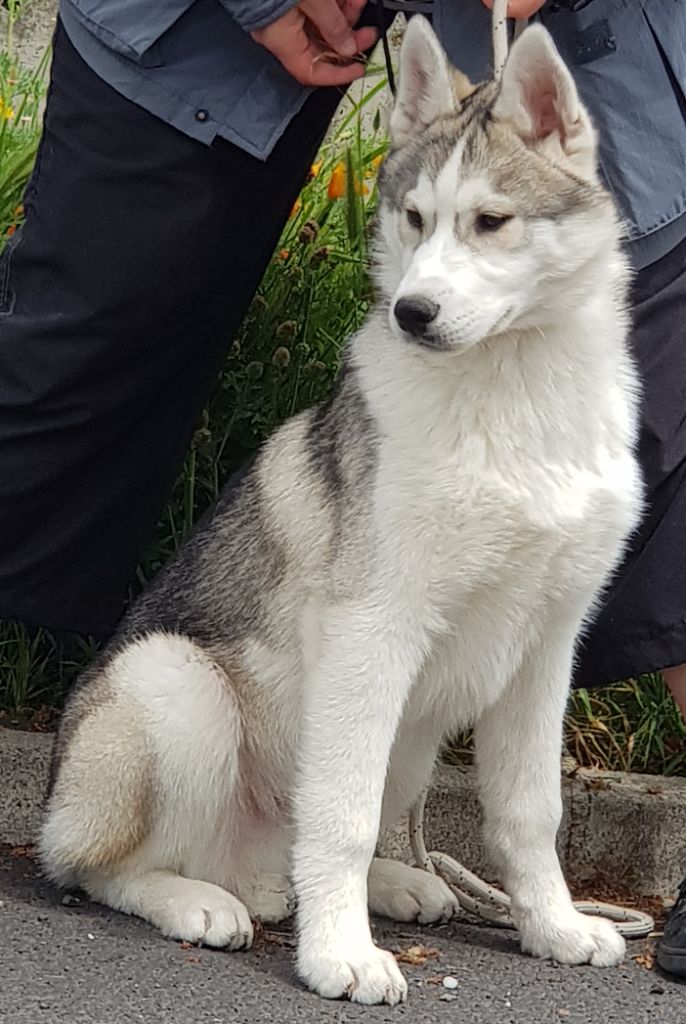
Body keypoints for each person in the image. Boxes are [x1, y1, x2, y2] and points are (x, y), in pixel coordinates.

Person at [0, 0, 684, 977]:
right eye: (416, 225)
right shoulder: (396, 400)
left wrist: (539, 895)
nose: (426, 278)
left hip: (572, 54)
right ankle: (162, 878)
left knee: (538, 637)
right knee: (63, 368)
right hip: (207, 744)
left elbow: (535, 662)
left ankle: (524, 888)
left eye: (487, 224)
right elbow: (364, 636)